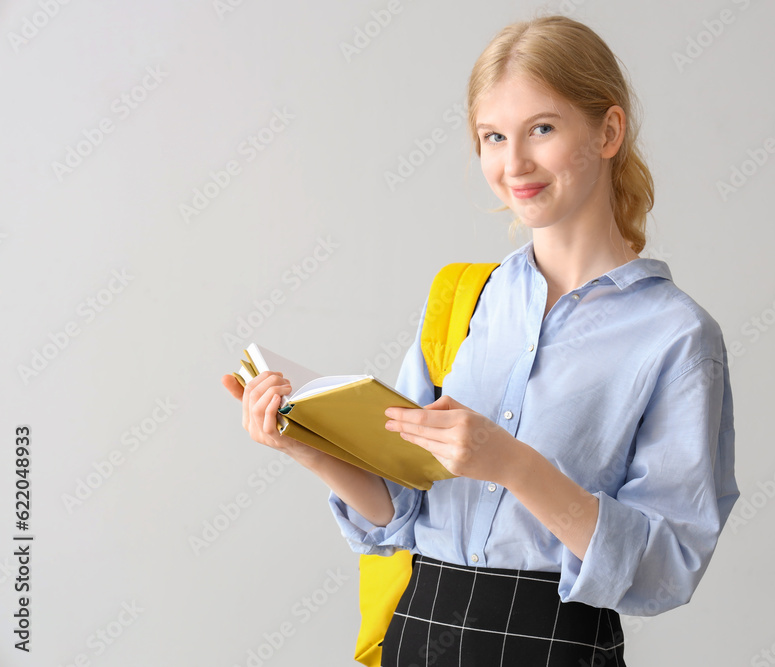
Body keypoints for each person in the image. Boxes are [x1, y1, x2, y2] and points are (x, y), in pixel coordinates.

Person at [223, 13, 739, 666]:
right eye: (492, 137)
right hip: (420, 628)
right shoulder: (463, 300)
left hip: (553, 644)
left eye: (541, 129)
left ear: (609, 131)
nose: (513, 162)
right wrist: (306, 444)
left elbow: (668, 564)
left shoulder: (677, 336)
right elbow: (402, 509)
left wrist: (513, 464)